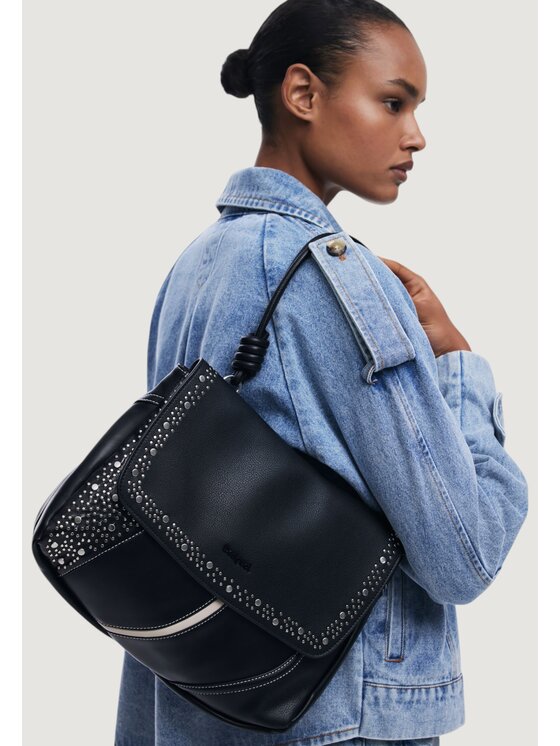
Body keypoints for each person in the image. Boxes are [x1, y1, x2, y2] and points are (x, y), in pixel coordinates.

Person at [114, 1, 529, 744]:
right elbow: (462, 555)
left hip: (201, 696)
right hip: (332, 716)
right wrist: (458, 363)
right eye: (394, 102)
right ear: (303, 94)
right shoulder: (337, 277)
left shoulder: (197, 265)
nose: (416, 136)